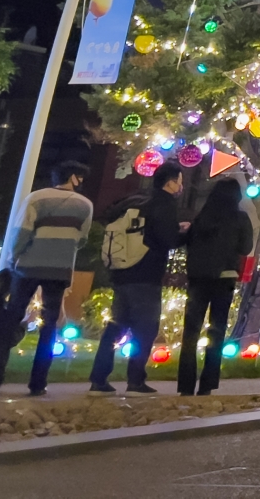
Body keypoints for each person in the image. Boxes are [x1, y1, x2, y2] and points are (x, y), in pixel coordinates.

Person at [0, 160, 94, 396]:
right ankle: (38, 383)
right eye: (80, 177)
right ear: (72, 177)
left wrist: (15, 256)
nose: (81, 181)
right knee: (49, 324)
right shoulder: (85, 205)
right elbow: (81, 239)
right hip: (60, 269)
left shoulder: (35, 198)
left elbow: (21, 231)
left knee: (11, 318)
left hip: (29, 267)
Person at [88, 166, 188, 395]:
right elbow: (167, 239)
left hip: (122, 273)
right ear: (171, 183)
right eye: (179, 181)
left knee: (116, 326)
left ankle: (98, 379)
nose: (181, 186)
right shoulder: (164, 203)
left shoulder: (136, 201)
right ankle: (135, 380)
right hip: (146, 274)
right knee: (145, 328)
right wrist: (184, 233)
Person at [177, 178, 255, 395]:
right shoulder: (240, 218)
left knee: (191, 332)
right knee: (217, 330)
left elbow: (189, 242)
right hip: (224, 277)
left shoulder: (202, 218)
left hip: (198, 277)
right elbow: (246, 247)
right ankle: (207, 384)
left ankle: (185, 385)